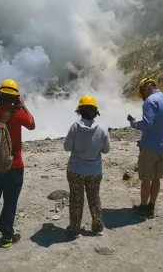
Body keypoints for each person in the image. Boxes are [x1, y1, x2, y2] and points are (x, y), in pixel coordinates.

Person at [0, 79, 35, 248]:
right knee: (10, 201)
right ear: (15, 97)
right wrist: (23, 105)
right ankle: (6, 236)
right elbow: (32, 125)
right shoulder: (18, 114)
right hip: (14, 164)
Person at [63, 95, 110, 238]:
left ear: (79, 111)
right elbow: (106, 150)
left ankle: (75, 229)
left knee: (76, 199)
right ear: (95, 112)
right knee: (94, 197)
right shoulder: (102, 129)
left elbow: (67, 147)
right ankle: (97, 227)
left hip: (76, 170)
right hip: (95, 171)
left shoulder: (75, 127)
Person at [128, 78, 163, 219]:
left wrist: (134, 124)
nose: (143, 97)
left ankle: (142, 207)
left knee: (146, 178)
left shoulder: (150, 101)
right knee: (157, 178)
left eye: (142, 93)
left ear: (145, 88)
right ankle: (151, 207)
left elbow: (147, 123)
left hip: (150, 147)